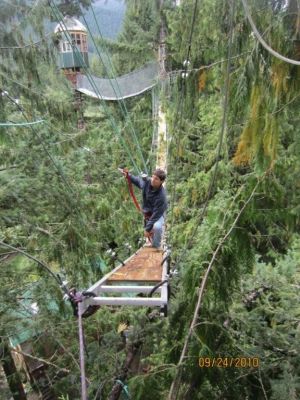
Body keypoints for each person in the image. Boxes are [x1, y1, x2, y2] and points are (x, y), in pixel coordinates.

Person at [122, 168, 167, 249]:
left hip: (158, 214)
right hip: (147, 213)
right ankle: (152, 241)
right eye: (152, 177)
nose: (153, 180)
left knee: (157, 227)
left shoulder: (161, 197)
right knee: (150, 231)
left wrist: (147, 229)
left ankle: (156, 247)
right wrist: (129, 176)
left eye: (156, 179)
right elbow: (138, 181)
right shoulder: (147, 183)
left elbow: (156, 215)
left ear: (162, 182)